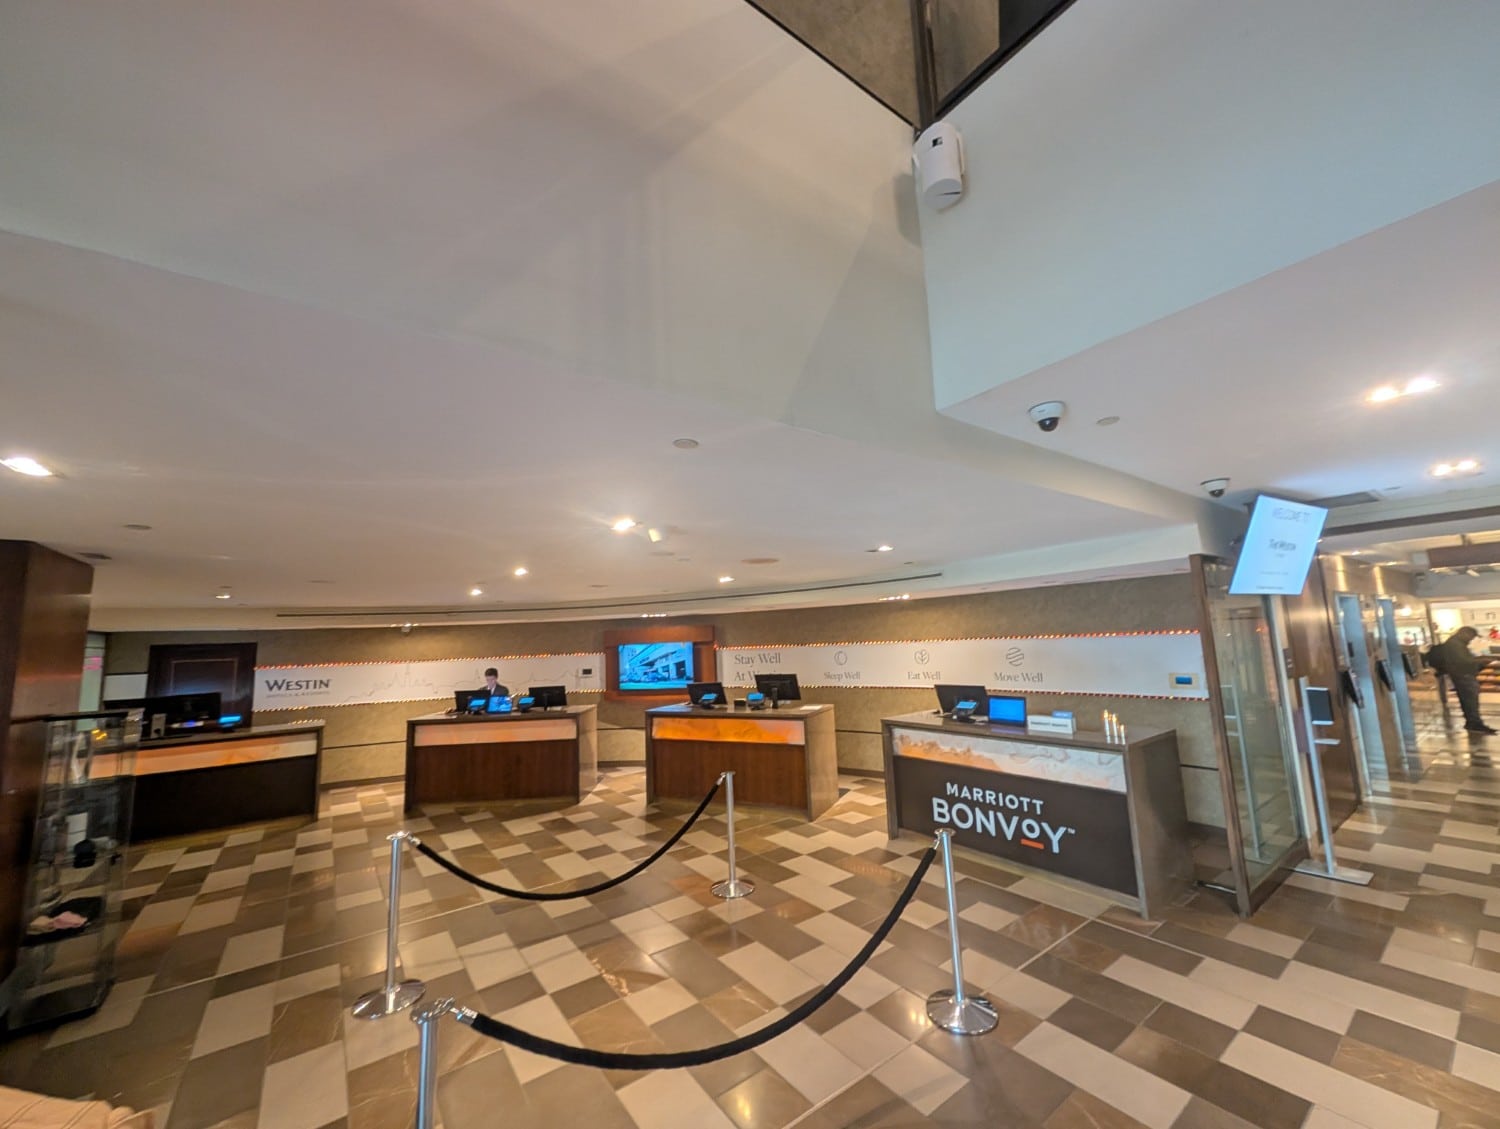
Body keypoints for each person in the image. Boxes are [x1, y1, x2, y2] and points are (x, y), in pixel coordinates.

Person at [1429, 627, 1497, 734]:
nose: (1471, 639)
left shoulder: (1455, 643)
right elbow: (1464, 662)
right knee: (1470, 700)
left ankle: (1472, 722)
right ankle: (1474, 723)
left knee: (1468, 700)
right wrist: (1481, 661)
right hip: (1463, 676)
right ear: (1464, 633)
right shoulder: (1455, 645)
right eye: (1471, 637)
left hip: (1461, 676)